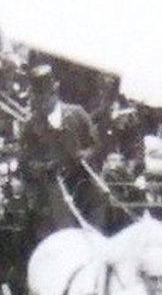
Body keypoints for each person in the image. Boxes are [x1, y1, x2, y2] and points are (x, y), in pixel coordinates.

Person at [19, 64, 101, 240]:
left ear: (52, 94)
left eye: (40, 97)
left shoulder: (77, 114)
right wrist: (41, 166)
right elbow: (25, 161)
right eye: (35, 97)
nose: (36, 102)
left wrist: (84, 155)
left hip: (82, 180)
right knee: (60, 214)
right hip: (51, 185)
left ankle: (96, 242)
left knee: (101, 198)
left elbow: (95, 146)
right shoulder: (31, 125)